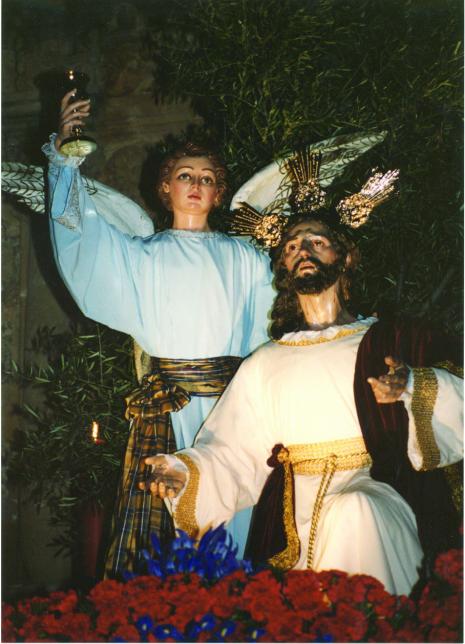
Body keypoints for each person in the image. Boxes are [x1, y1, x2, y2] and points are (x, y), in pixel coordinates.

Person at [143, 204, 462, 596]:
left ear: (345, 258)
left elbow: (456, 393)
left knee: (355, 511)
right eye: (292, 247)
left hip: (375, 485)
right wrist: (184, 473)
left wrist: (410, 385)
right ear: (283, 268)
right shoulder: (265, 362)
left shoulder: (389, 340)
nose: (303, 251)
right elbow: (232, 451)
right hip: (292, 513)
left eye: (316, 242)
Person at [42, 90, 275, 575]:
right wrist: (65, 157)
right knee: (168, 531)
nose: (196, 185)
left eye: (207, 179)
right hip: (169, 410)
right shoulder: (140, 257)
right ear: (165, 187)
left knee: (231, 523)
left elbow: (273, 326)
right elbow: (82, 235)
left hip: (233, 413)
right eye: (185, 175)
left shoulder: (247, 257)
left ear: (219, 193)